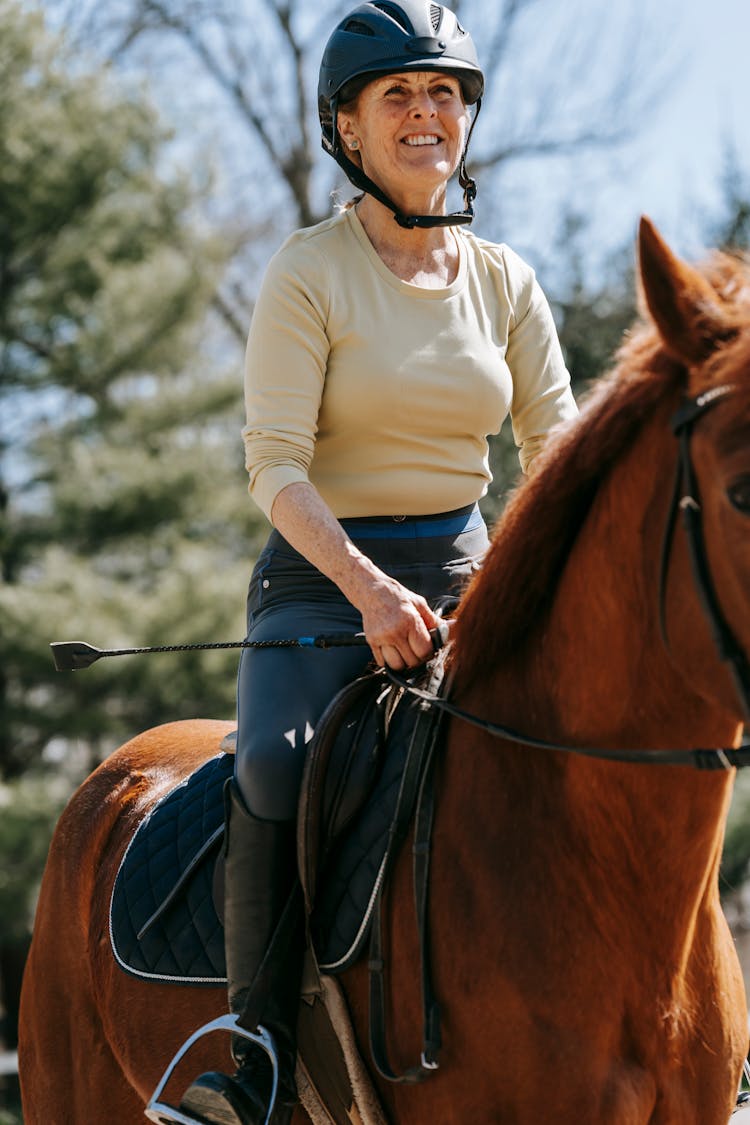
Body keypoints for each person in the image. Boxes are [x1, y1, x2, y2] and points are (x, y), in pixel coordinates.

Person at [178, 2, 578, 1122]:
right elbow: (273, 468)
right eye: (396, 94)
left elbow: (556, 457)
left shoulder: (507, 280)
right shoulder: (307, 272)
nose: (424, 112)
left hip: (472, 570)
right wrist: (368, 592)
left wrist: (517, 594)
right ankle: (250, 1056)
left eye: (443, 92)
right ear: (347, 129)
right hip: (321, 578)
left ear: (465, 120)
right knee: (274, 764)